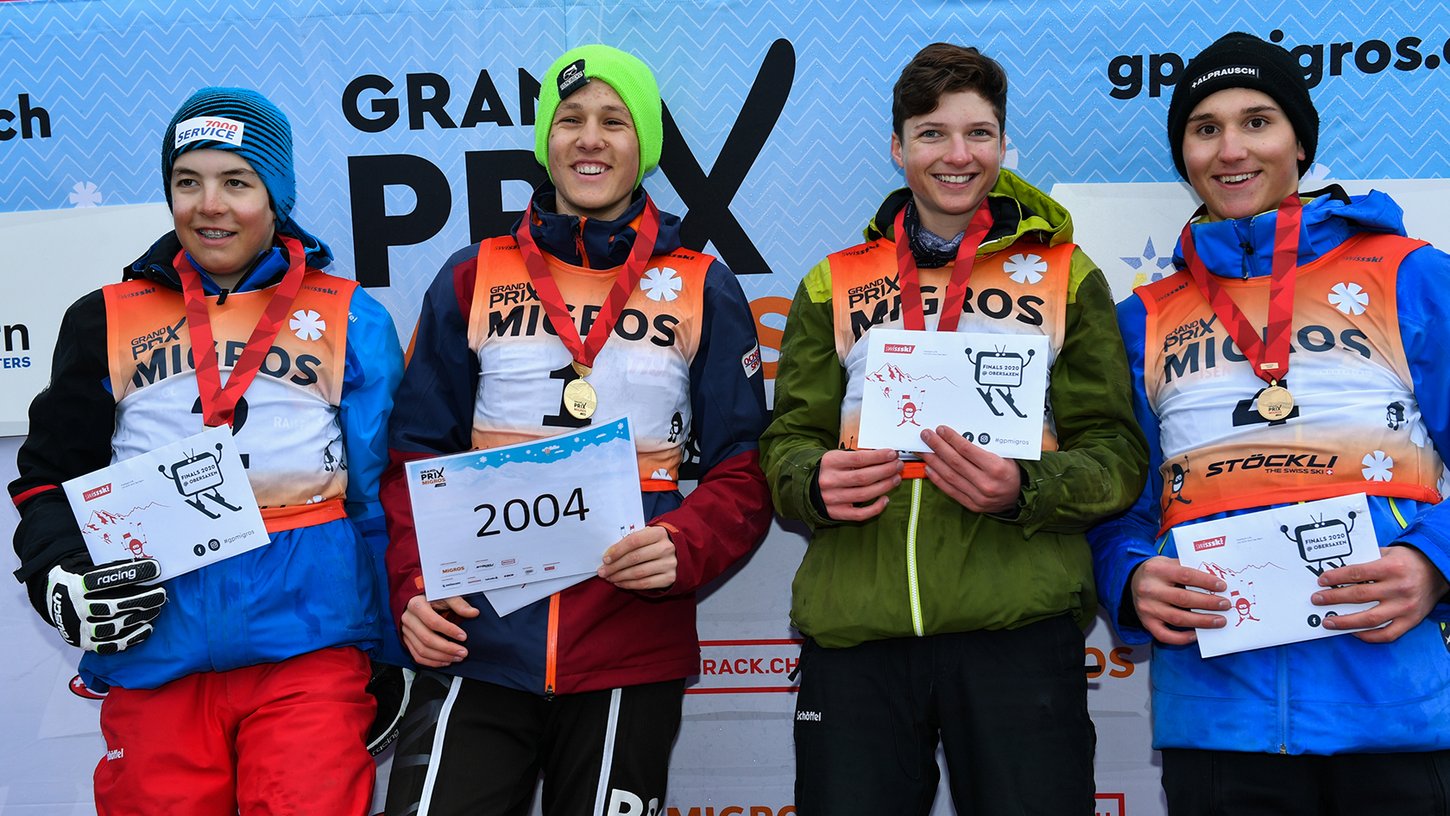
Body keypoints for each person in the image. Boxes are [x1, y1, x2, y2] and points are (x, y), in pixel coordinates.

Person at [381, 44, 772, 815]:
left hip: (628, 638)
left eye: (614, 121)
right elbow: (412, 457)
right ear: (545, 141)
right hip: (478, 641)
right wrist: (415, 587)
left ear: (644, 145)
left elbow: (744, 463)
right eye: (570, 120)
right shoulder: (472, 275)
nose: (590, 139)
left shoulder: (701, 283)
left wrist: (687, 543)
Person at [759, 42, 1146, 814]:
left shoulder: (1066, 275)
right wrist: (811, 480)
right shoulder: (832, 281)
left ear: (1003, 145)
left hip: (1017, 627)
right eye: (932, 133)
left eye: (978, 133)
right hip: (857, 631)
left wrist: (1022, 488)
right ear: (897, 147)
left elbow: (1116, 452)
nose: (957, 155)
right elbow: (786, 439)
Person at [9, 87, 404, 814]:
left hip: (308, 646)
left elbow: (381, 492)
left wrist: (393, 636)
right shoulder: (103, 317)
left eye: (237, 182)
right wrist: (55, 570)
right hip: (156, 646)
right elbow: (50, 476)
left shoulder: (349, 315)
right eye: (187, 181)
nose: (209, 205)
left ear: (276, 196)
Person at [1089, 31, 1450, 814]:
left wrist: (1435, 562)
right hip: (1218, 719)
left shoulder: (1411, 275)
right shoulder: (1140, 320)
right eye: (1205, 128)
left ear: (1300, 143)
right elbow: (1119, 502)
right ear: (1184, 155)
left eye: (1258, 121)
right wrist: (1131, 578)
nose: (1231, 150)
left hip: (1393, 708)